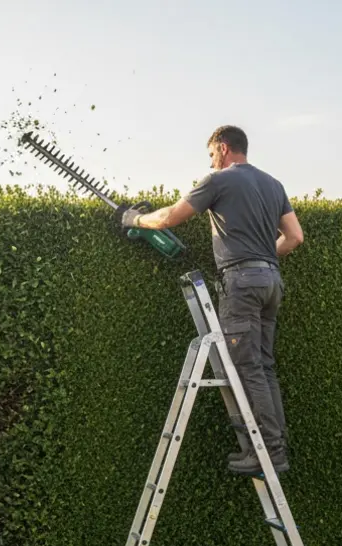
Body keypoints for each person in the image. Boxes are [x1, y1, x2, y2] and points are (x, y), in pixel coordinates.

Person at [118, 125, 303, 475]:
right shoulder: (273, 184)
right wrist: (263, 262)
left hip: (242, 283)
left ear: (223, 147)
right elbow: (294, 237)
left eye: (211, 155)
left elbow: (171, 216)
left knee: (247, 367)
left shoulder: (219, 180)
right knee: (263, 366)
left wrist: (135, 218)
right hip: (271, 280)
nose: (212, 161)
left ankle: (271, 455)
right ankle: (273, 449)